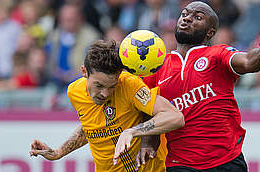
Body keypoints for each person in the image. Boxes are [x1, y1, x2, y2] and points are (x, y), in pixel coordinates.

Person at [142, 1, 260, 172]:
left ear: (210, 32)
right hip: (180, 163)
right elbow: (146, 106)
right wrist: (147, 142)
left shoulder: (217, 54)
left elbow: (249, 62)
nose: (187, 19)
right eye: (184, 14)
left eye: (198, 17)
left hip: (225, 160)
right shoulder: (158, 67)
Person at [30, 39, 185, 172]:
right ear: (84, 72)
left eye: (112, 86)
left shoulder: (129, 84)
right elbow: (92, 126)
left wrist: (133, 131)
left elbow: (175, 117)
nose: (105, 93)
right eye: (99, 85)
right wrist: (58, 152)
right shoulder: (74, 92)